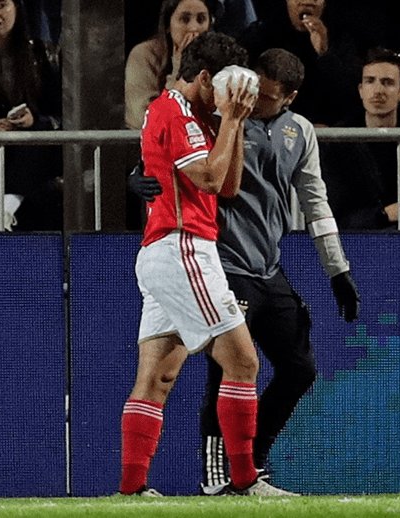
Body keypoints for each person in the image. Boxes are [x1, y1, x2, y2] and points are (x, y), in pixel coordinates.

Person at [129, 47, 361, 495]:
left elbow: (315, 201)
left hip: (265, 263)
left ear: (288, 98)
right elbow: (172, 155)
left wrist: (337, 269)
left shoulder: (299, 132)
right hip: (219, 258)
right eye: (255, 90)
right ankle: (224, 476)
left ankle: (250, 461)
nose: (254, 102)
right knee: (229, 365)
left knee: (299, 368)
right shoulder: (221, 115)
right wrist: (135, 175)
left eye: (268, 98)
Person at [120, 31, 293, 498]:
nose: (229, 98)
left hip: (167, 251)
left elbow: (230, 185)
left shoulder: (194, 115)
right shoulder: (176, 113)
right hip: (184, 248)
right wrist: (233, 119)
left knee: (157, 376)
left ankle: (131, 491)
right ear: (202, 77)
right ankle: (243, 482)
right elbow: (212, 177)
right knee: (243, 361)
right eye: (222, 86)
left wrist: (230, 123)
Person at [319, 47, 400, 230]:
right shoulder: (336, 143)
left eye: (387, 82)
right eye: (370, 81)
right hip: (358, 237)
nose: (378, 91)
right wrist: (386, 214)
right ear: (361, 90)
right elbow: (334, 216)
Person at [0, 0, 62, 232]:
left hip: (31, 150)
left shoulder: (42, 55)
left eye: (1, 5)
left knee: (38, 137)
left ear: (17, 9)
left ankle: (3, 212)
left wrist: (33, 119)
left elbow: (60, 114)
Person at [237, 0, 360, 126]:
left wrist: (325, 54)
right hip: (265, 124)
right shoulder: (260, 34)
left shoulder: (339, 38)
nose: (307, 2)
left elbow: (351, 92)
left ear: (324, 4)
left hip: (323, 128)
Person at [124, 0, 216, 131]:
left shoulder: (215, 56)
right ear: (168, 25)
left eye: (201, 19)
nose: (194, 28)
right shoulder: (145, 55)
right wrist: (179, 73)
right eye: (185, 19)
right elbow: (143, 120)